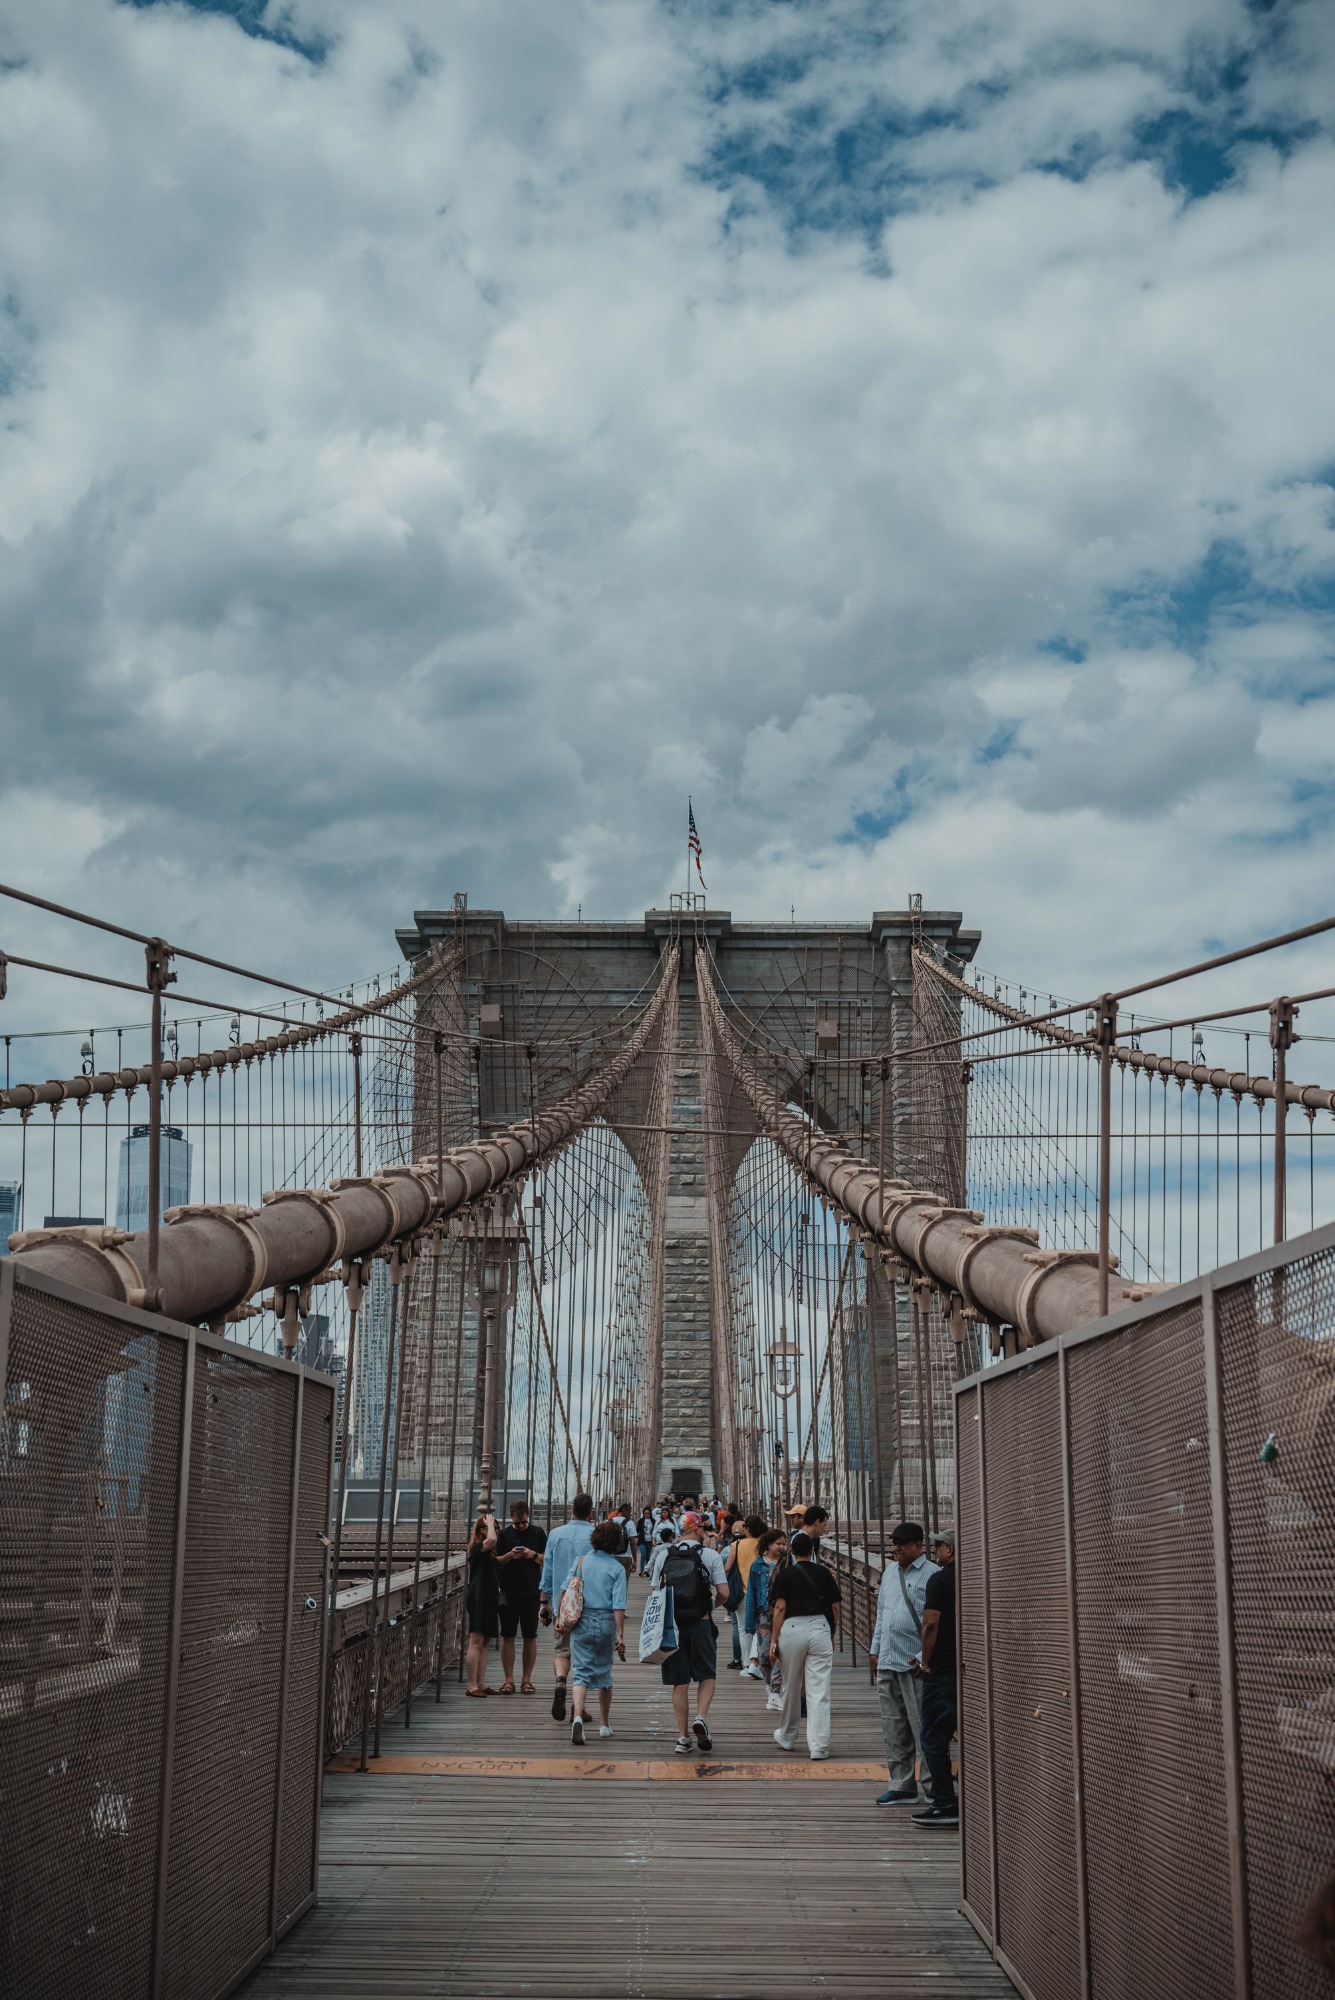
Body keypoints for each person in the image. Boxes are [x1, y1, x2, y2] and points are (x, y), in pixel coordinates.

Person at [869, 1521, 939, 1805]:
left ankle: (935, 1789)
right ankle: (901, 1784)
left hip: (915, 1663)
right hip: (888, 1659)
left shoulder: (933, 1576)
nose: (895, 1548)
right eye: (893, 1543)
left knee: (923, 1726)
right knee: (893, 1725)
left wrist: (925, 1657)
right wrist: (875, 1651)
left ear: (918, 1546)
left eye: (902, 1543)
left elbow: (939, 1623)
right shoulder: (889, 1573)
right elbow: (883, 1614)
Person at [647, 1510, 728, 1752]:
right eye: (703, 1528)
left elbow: (655, 1594)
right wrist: (708, 1607)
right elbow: (724, 1593)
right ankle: (700, 1717)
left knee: (680, 1681)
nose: (705, 1531)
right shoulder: (711, 1555)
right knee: (707, 1675)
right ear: (696, 1529)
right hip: (701, 1623)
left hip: (673, 1628)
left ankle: (683, 1737)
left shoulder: (664, 1555)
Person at [769, 1530, 840, 1759]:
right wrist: (831, 1631)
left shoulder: (786, 1574)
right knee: (819, 1689)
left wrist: (773, 1639)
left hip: (791, 1629)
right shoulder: (824, 1573)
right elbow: (836, 1607)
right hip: (819, 1627)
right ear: (812, 1550)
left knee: (791, 1684)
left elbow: (779, 1608)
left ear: (792, 1551)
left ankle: (788, 1736)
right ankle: (818, 1745)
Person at [564, 1519, 629, 1745]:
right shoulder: (617, 1568)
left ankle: (578, 1717)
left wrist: (559, 1617)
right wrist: (620, 1634)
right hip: (605, 1621)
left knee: (580, 1673)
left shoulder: (580, 1561)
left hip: (581, 1619)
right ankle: (604, 1725)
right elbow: (618, 1605)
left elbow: (567, 1589)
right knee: (605, 1674)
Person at [912, 1530, 958, 1827]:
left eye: (939, 1546)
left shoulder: (939, 1579)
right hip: (973, 1668)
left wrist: (924, 1661)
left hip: (942, 1670)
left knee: (932, 1737)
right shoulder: (979, 1576)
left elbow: (930, 1624)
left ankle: (944, 1801)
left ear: (950, 1551)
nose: (936, 1550)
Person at [538, 1492, 595, 1721]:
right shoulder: (595, 1535)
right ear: (591, 1512)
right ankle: (577, 1708)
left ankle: (560, 1682)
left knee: (562, 1652)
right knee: (584, 1657)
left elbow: (548, 1570)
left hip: (563, 1604)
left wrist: (544, 1602)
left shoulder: (555, 1534)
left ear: (572, 1509)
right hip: (590, 1604)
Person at [495, 1498, 547, 1695]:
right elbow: (496, 1561)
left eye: (524, 1522)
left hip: (532, 1592)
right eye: (517, 1523)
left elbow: (547, 1560)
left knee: (530, 1636)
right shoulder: (504, 1535)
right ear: (511, 1518)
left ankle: (527, 1680)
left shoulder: (538, 1533)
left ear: (528, 1517)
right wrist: (510, 1556)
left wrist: (531, 1554)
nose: (521, 1526)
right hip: (508, 1593)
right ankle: (509, 1680)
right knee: (507, 1636)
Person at [744, 1526, 787, 1706]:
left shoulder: (786, 1564)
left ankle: (775, 1692)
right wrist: (749, 1622)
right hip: (763, 1614)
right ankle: (769, 1684)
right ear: (769, 1545)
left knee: (777, 1652)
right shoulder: (758, 1565)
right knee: (763, 1655)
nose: (782, 1547)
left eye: (784, 1543)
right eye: (778, 1543)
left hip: (783, 1613)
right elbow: (751, 1594)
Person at [464, 1512, 500, 1696]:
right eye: (493, 1527)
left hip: (488, 1597)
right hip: (479, 1596)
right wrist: (490, 1523)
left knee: (485, 1640)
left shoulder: (487, 1553)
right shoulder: (477, 1546)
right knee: (476, 1640)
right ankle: (471, 1686)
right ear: (482, 1530)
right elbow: (492, 1540)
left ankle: (480, 1682)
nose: (496, 1531)